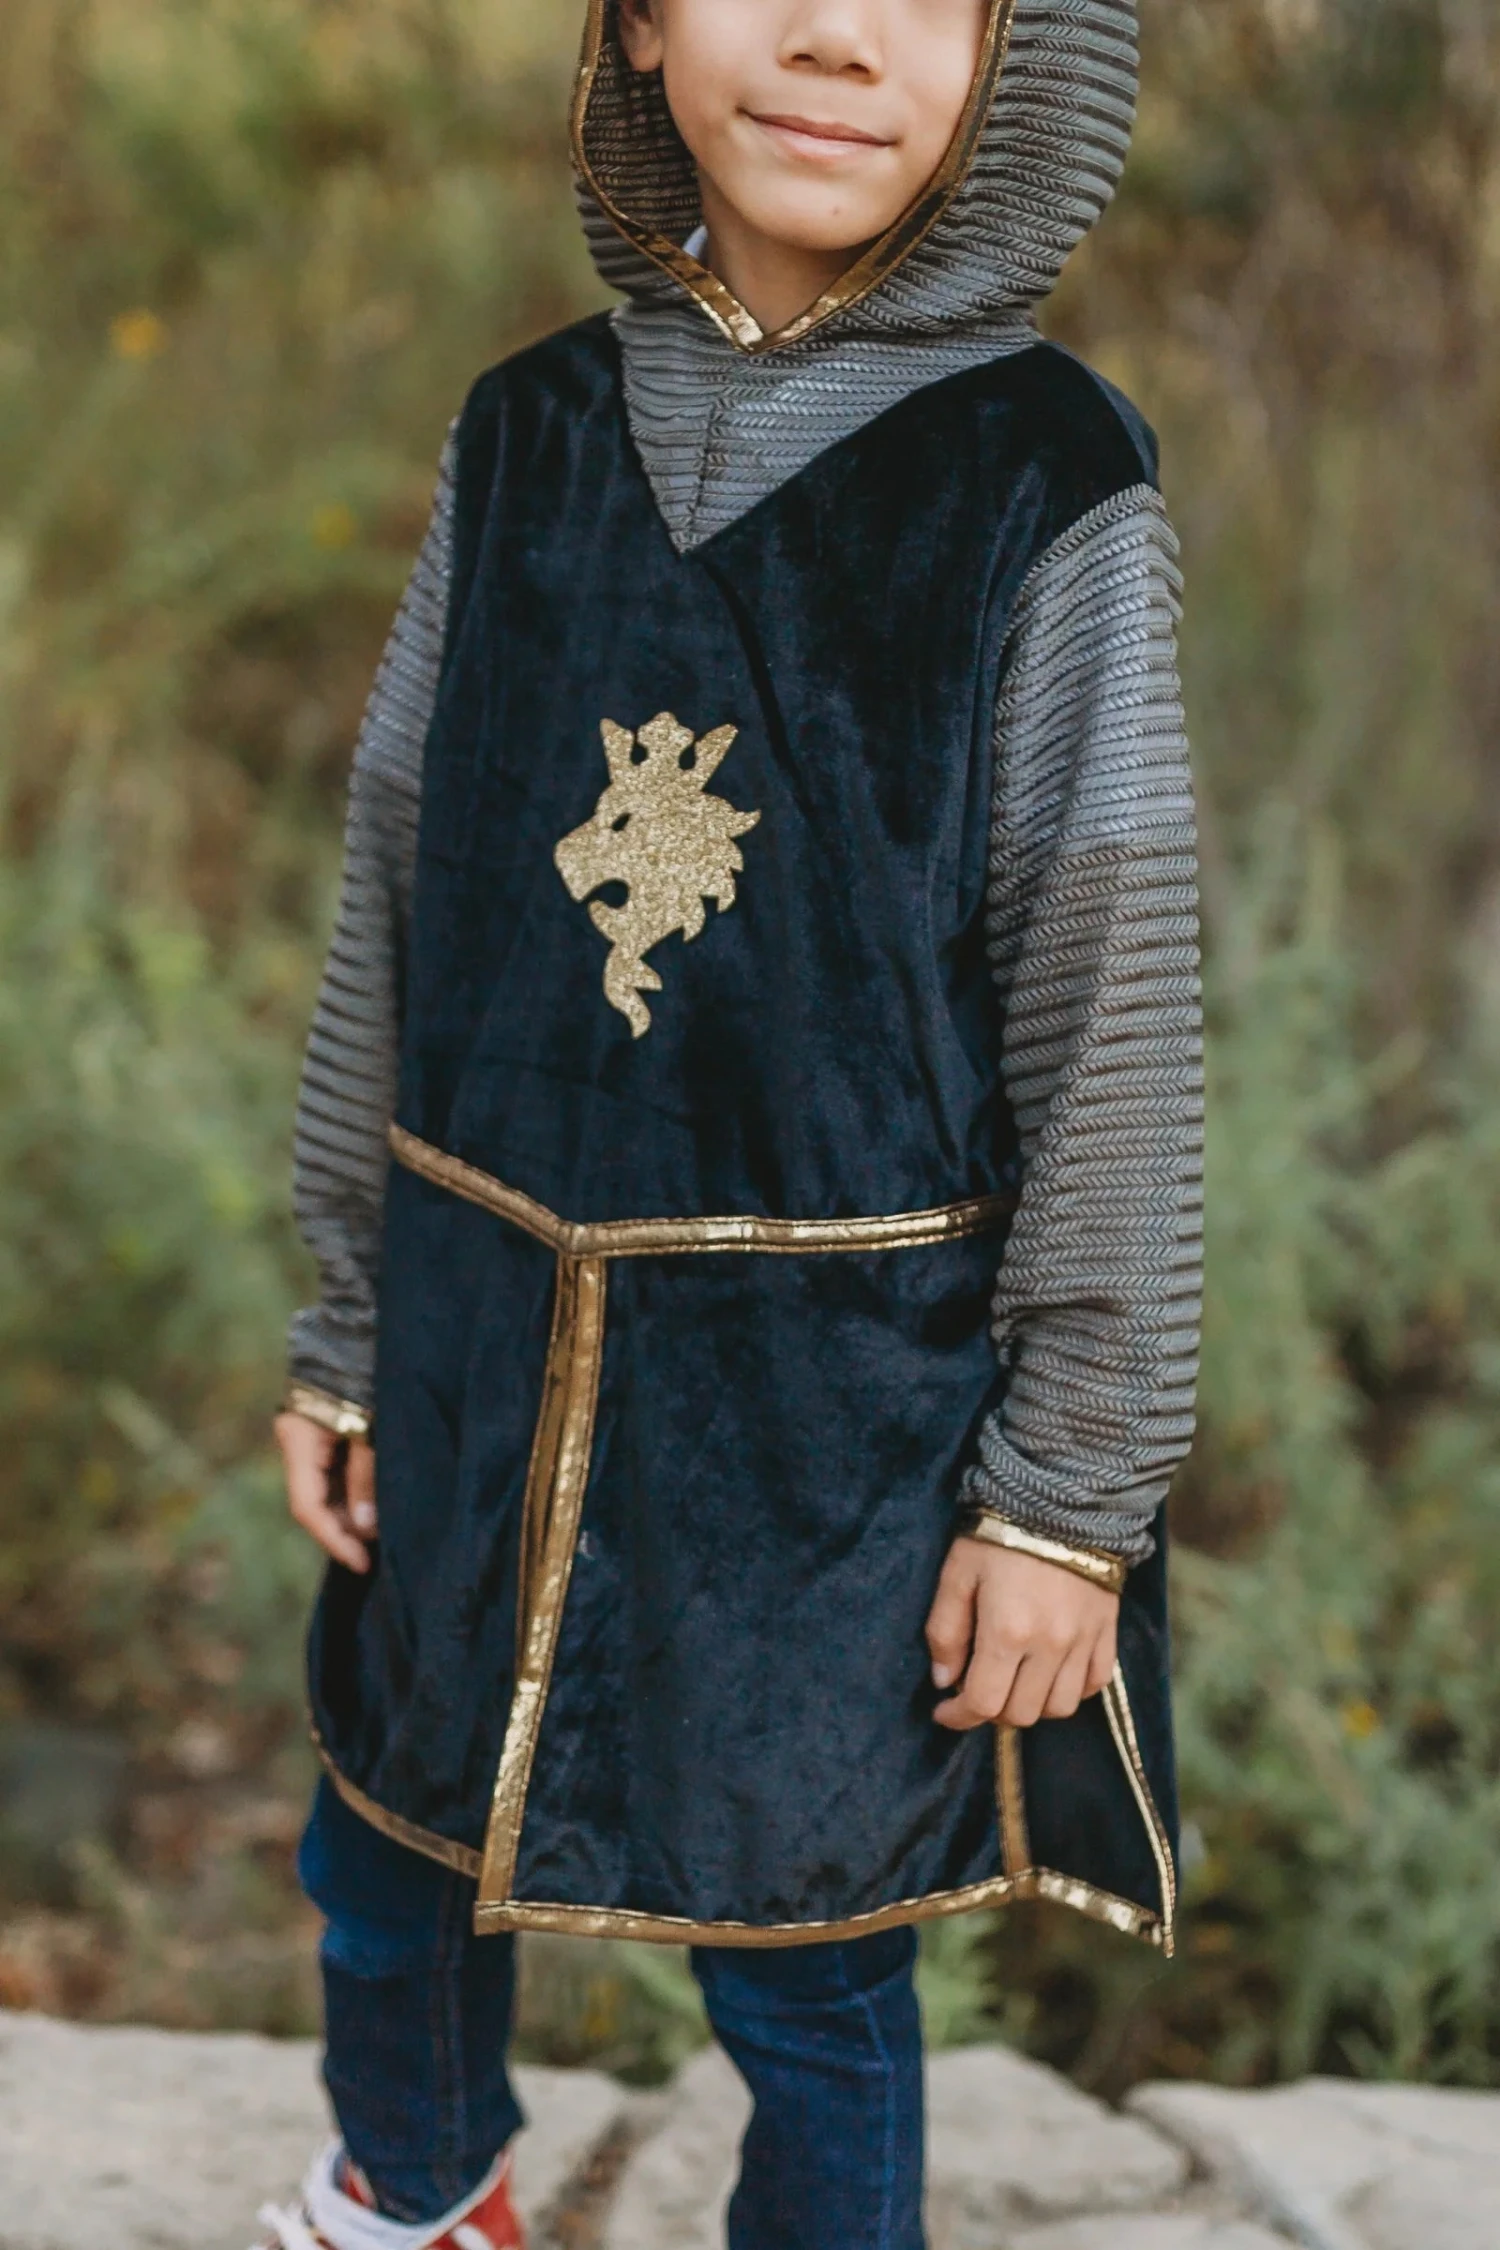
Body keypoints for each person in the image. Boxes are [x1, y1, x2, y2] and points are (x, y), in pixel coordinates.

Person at [260, 0, 1202, 2244]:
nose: (834, 39)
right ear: (640, 20)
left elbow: (1113, 1006)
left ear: (1023, 54)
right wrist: (345, 1317)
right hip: (479, 1322)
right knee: (385, 1843)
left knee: (805, 1954)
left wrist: (1071, 1494)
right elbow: (396, 877)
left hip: (829, 1412)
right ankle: (417, 2192)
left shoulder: (1046, 480)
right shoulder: (525, 431)